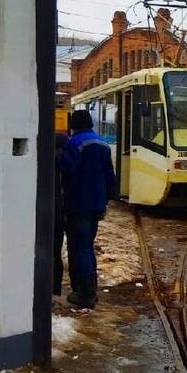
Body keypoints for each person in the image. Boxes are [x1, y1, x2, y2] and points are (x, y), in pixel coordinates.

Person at [58, 109, 117, 309]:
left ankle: (85, 294)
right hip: (97, 204)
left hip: (78, 203)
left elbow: (67, 167)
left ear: (73, 125)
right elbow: (110, 176)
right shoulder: (102, 143)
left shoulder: (75, 143)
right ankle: (88, 290)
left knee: (79, 248)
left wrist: (58, 153)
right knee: (87, 247)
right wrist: (106, 199)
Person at [52, 132, 68, 297]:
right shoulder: (67, 163)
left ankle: (51, 288)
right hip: (61, 212)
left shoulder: (47, 161)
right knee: (56, 253)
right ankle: (56, 288)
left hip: (52, 212)